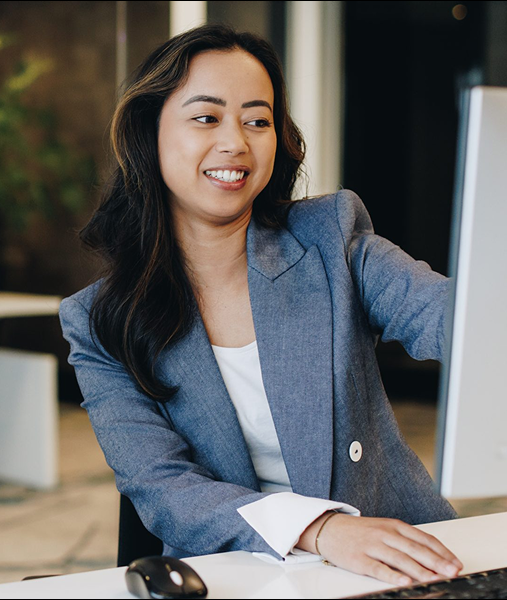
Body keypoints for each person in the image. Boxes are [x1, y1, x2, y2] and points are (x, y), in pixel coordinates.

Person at [60, 24, 465, 588]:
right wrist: (321, 530)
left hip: (401, 565)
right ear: (149, 133)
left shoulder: (332, 238)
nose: (236, 142)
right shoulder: (102, 320)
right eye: (207, 118)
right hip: (237, 574)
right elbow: (161, 485)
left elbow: (454, 322)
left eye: (258, 120)